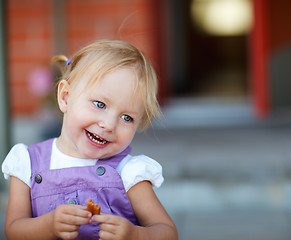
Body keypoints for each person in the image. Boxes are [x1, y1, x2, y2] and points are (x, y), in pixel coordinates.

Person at [2, 40, 178, 240]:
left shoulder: (128, 172)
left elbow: (167, 231)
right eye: (100, 104)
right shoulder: (28, 163)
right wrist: (48, 225)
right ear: (65, 97)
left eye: (127, 117)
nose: (109, 124)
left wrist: (134, 234)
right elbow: (13, 230)